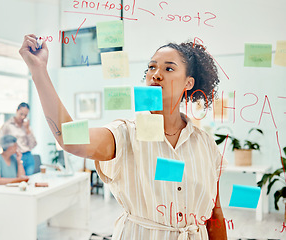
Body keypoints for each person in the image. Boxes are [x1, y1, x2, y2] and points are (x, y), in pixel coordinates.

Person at [19, 34, 227, 239]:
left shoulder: (205, 143)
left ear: (188, 83)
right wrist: (39, 70)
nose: (155, 74)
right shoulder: (126, 133)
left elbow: (215, 215)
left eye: (168, 68)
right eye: (151, 67)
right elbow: (70, 139)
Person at [0, 102, 37, 175]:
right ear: (17, 111)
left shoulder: (27, 127)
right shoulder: (7, 125)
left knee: (29, 180)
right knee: (17, 181)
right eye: (21, 114)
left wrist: (27, 131)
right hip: (15, 156)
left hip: (28, 156)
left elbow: (32, 145)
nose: (23, 117)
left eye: (25, 115)